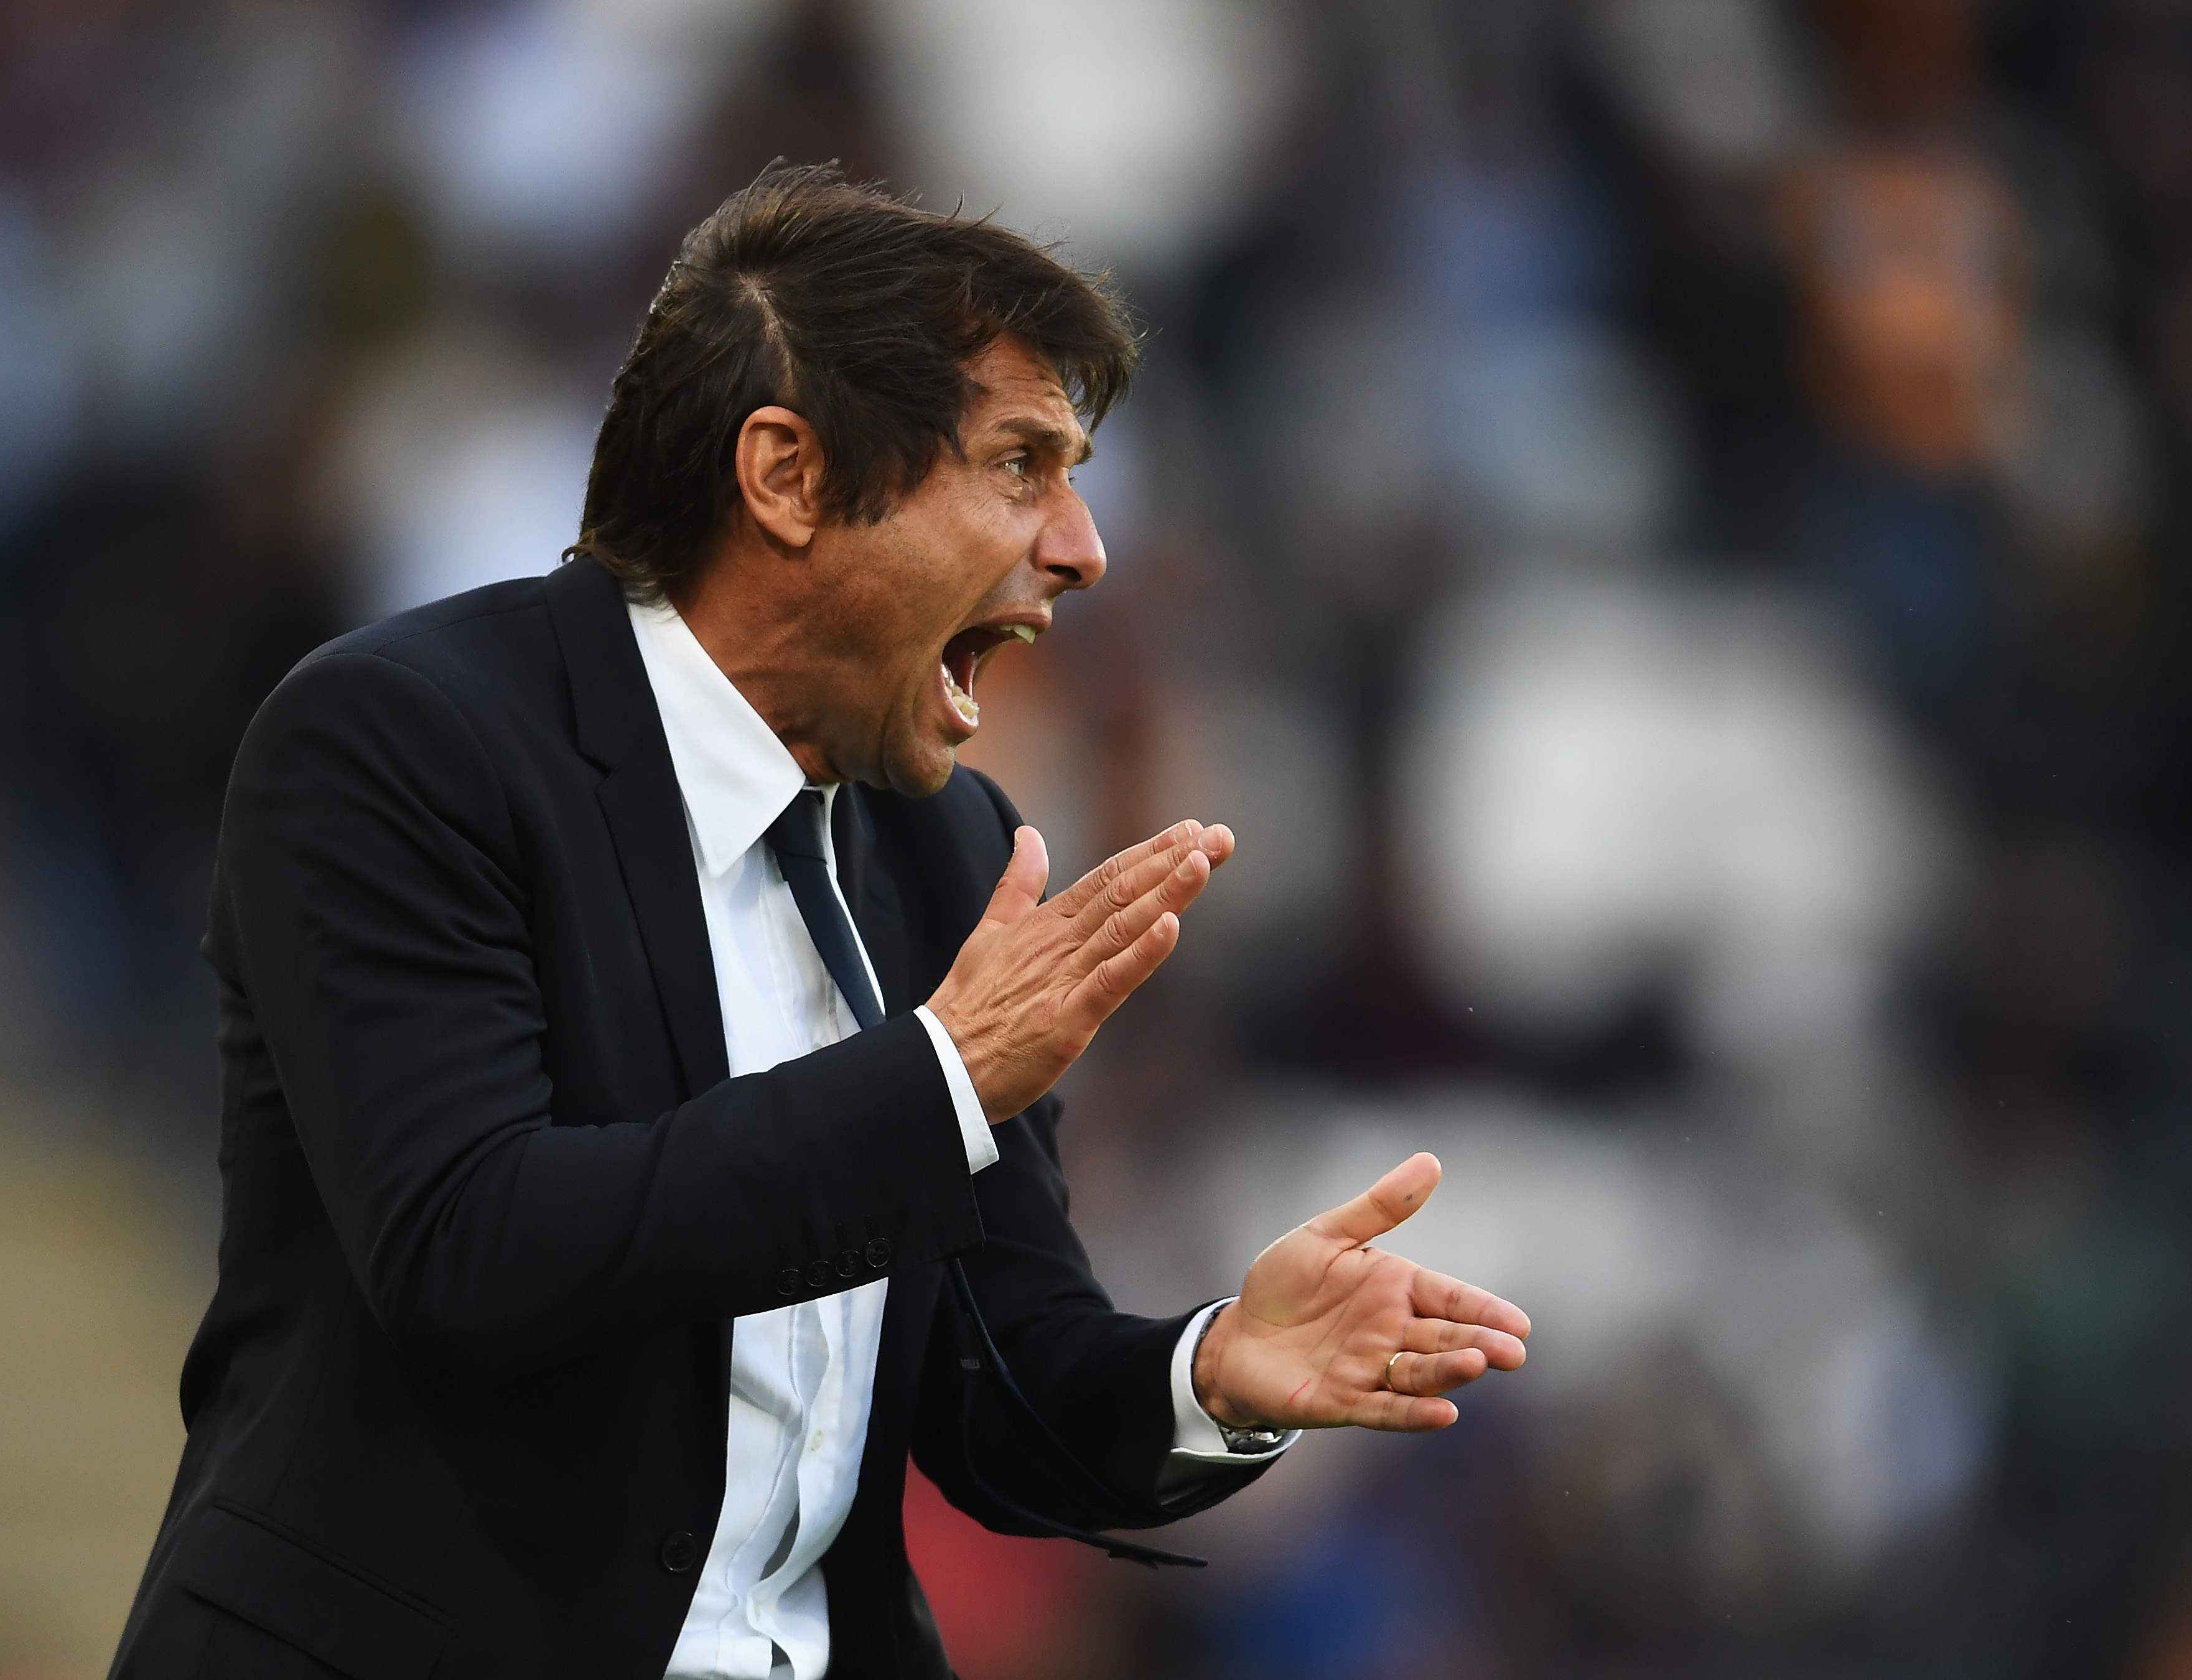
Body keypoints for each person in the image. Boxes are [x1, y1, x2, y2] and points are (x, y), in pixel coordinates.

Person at [107, 163, 1530, 1680]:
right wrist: (932, 1085)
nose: (1082, 547)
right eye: (1020, 465)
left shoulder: (946, 843)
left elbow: (992, 1388)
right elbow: (471, 1249)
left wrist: (1211, 1374)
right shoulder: (400, 744)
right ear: (785, 474)